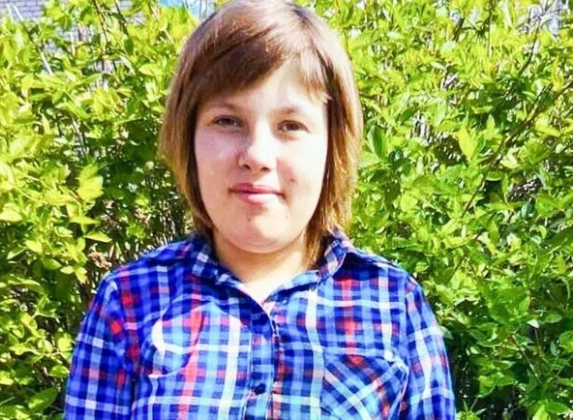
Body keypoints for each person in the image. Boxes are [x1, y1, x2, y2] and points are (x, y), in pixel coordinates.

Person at [65, 0, 456, 418]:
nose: (257, 155)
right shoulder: (128, 302)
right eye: (227, 121)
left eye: (291, 126)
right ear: (189, 139)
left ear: (332, 148)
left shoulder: (393, 305)